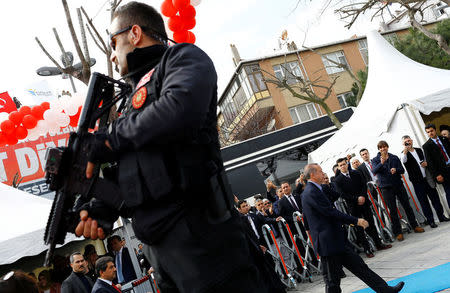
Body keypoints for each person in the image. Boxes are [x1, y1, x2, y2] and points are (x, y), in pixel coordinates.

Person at [74, 2, 266, 292]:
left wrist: (109, 139)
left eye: (113, 42)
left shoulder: (182, 59)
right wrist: (103, 206)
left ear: (135, 33)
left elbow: (179, 110)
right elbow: (137, 167)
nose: (112, 55)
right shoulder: (129, 99)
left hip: (205, 242)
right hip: (162, 253)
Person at [301, 163, 405, 293]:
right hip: (327, 243)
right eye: (320, 172)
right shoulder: (311, 192)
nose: (323, 174)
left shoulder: (319, 189)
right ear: (312, 174)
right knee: (332, 281)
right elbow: (330, 212)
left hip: (336, 240)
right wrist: (356, 220)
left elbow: (333, 199)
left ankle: (385, 290)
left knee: (361, 267)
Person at [334, 158, 391, 258]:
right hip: (353, 206)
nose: (343, 166)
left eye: (344, 164)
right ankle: (367, 249)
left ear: (347, 164)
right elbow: (342, 194)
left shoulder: (356, 173)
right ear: (338, 167)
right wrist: (356, 199)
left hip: (364, 202)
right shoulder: (338, 180)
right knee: (359, 228)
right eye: (340, 165)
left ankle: (379, 244)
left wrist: (363, 196)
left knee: (371, 223)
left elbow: (363, 185)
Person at [372, 141, 425, 241]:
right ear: (379, 149)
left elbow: (402, 170)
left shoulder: (394, 157)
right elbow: (374, 171)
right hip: (386, 187)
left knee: (407, 206)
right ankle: (398, 232)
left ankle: (415, 226)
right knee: (392, 210)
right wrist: (381, 163)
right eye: (381, 148)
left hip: (398, 185)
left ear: (387, 147)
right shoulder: (375, 160)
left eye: (384, 147)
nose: (383, 149)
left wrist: (396, 169)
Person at [400, 135, 449, 227]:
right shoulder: (403, 153)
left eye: (409, 140)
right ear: (403, 143)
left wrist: (427, 164)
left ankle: (441, 216)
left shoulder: (419, 150)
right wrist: (405, 148)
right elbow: (403, 160)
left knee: (435, 198)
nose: (408, 142)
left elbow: (427, 160)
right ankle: (431, 221)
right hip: (417, 182)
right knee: (424, 202)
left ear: (412, 140)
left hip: (427, 178)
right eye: (406, 141)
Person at [422, 124, 450, 209]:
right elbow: (430, 163)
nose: (430, 133)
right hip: (443, 172)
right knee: (449, 192)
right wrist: (437, 174)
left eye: (431, 131)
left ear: (435, 130)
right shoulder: (426, 146)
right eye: (428, 132)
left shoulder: (444, 139)